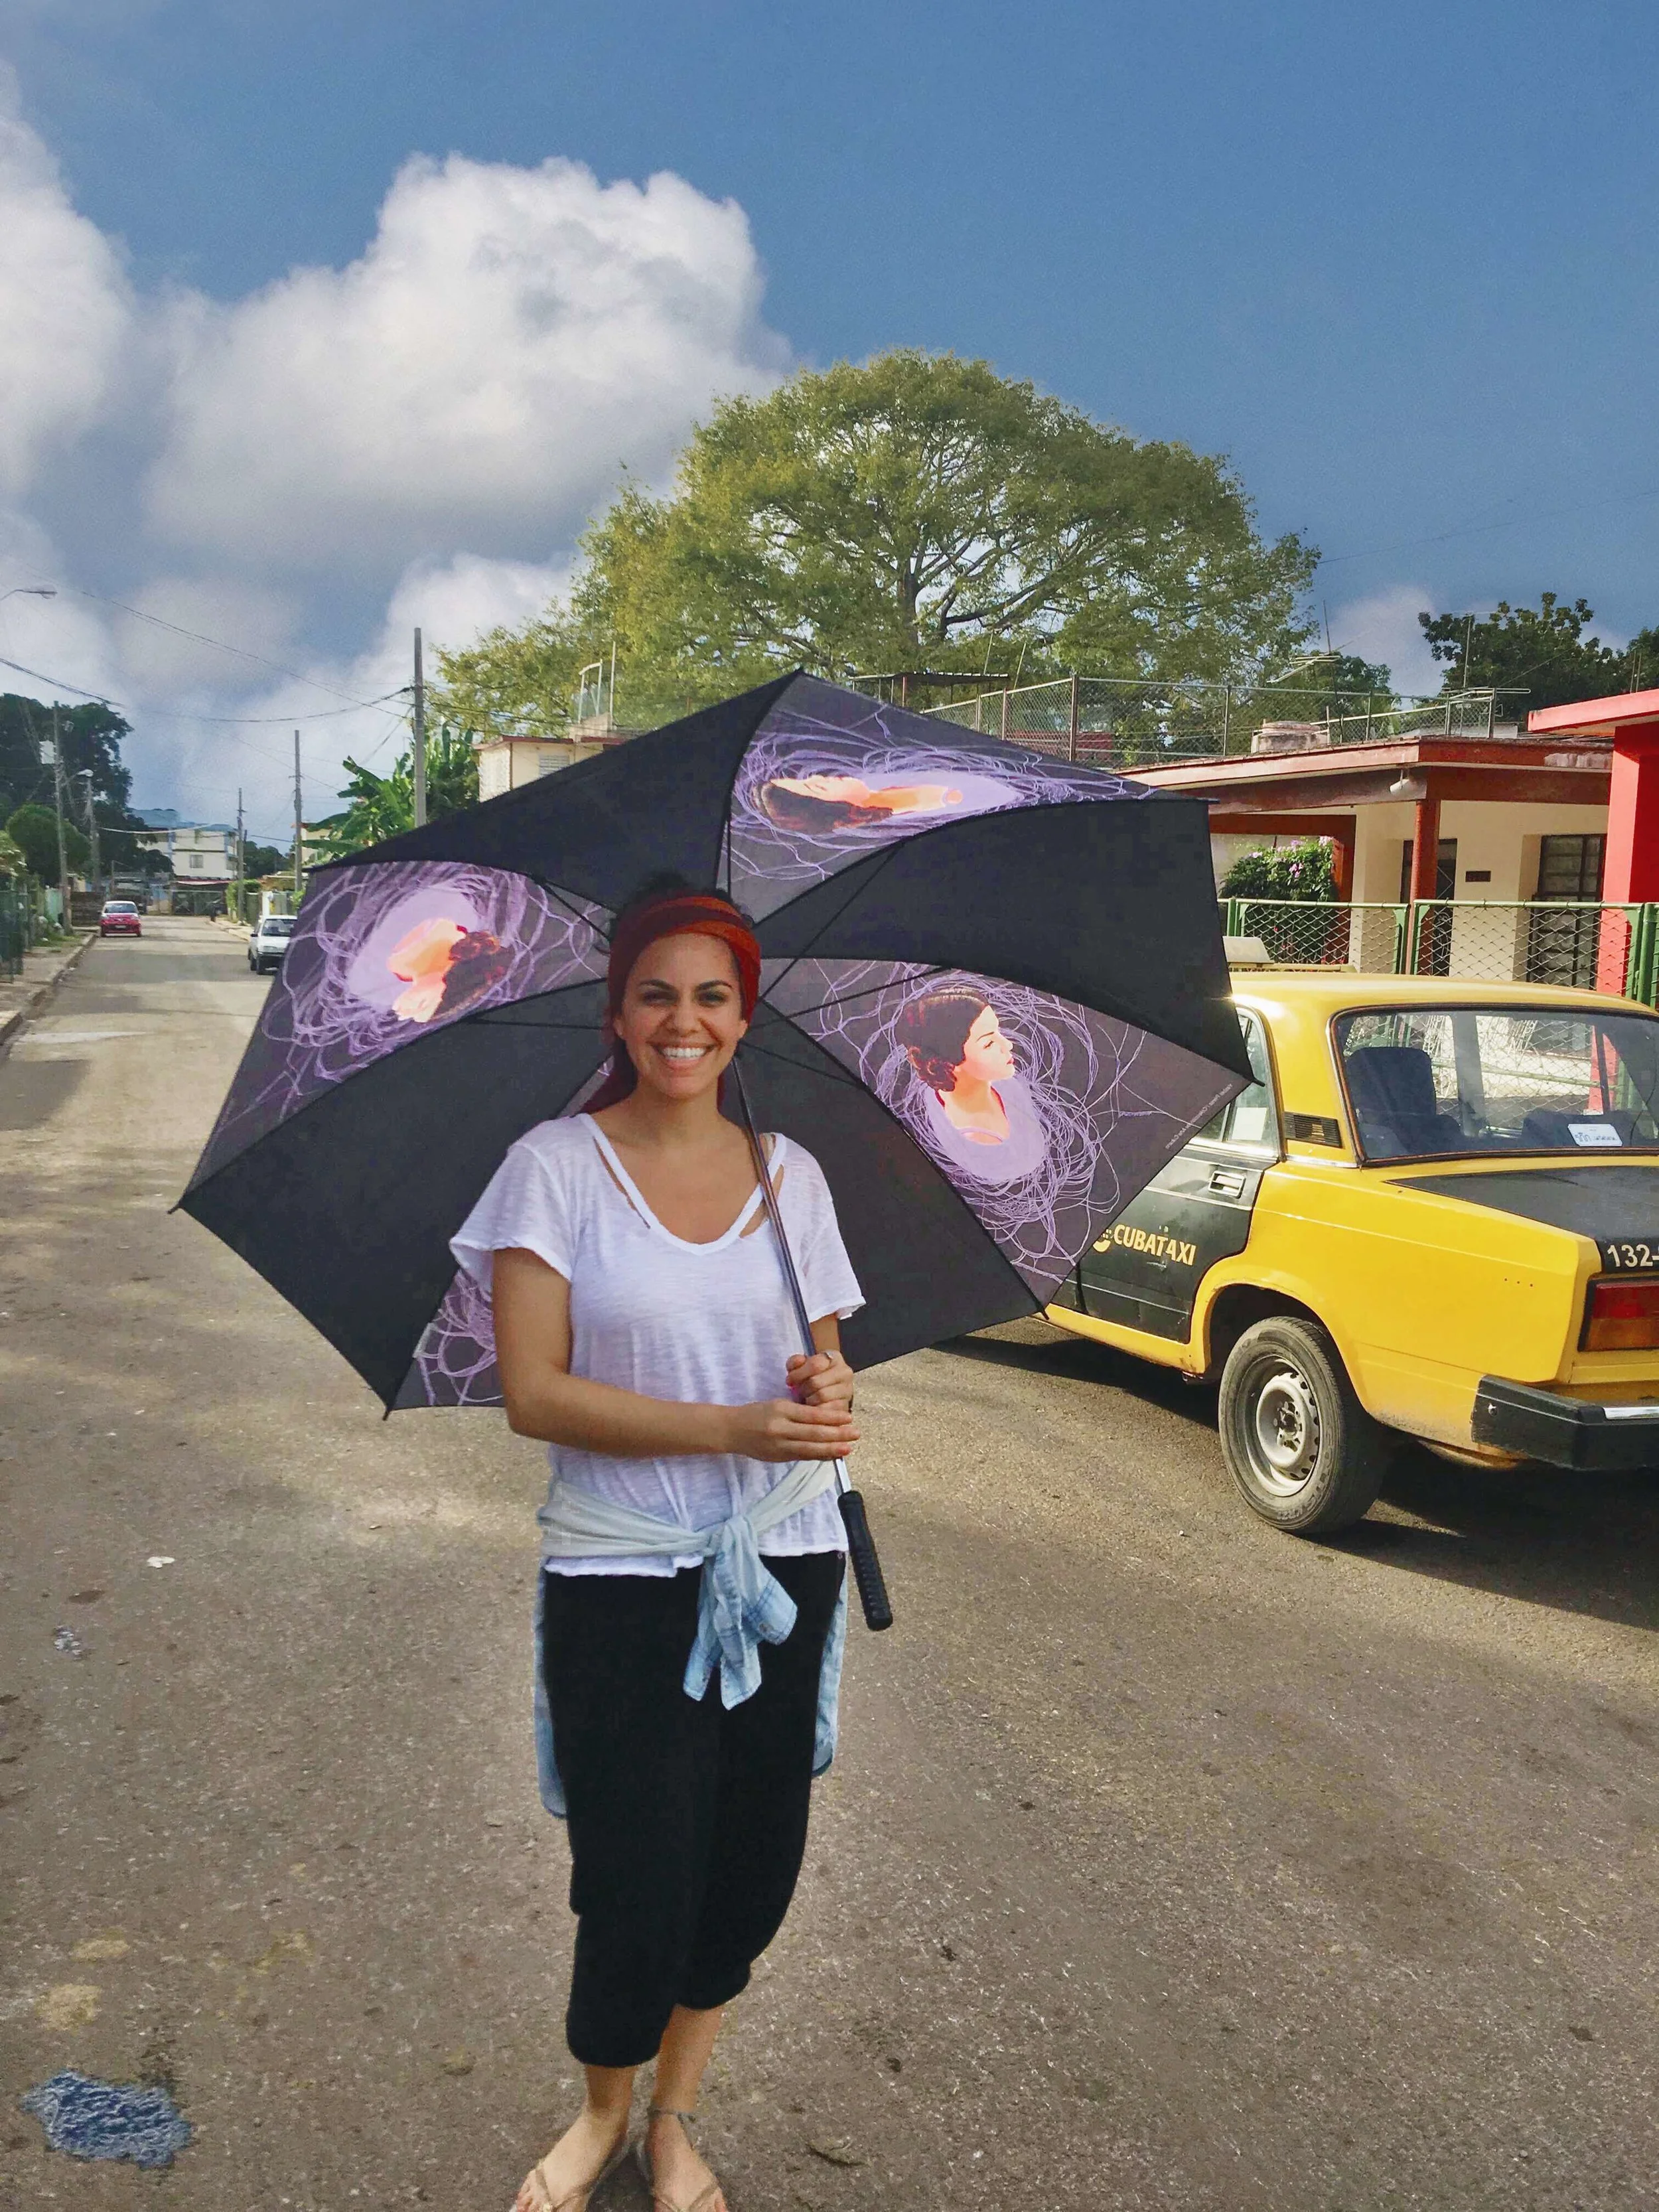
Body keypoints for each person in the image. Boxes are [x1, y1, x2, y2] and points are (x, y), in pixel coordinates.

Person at [449, 877, 864, 2212]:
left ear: (741, 1018)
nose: (683, 1020)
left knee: (749, 1862)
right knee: (633, 1871)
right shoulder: (550, 1167)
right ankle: (600, 2112)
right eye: (655, 993)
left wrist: (824, 1398)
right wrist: (733, 1425)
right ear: (617, 1012)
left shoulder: (789, 1174)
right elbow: (535, 1393)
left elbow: (826, 1366)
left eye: (711, 996)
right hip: (622, 1571)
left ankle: (676, 2115)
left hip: (779, 1565)